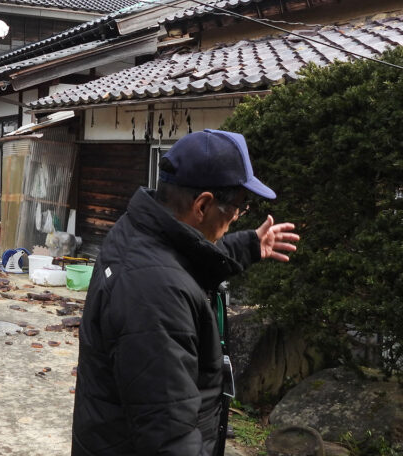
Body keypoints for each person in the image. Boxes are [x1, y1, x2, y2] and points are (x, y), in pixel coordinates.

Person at [72, 129, 299, 456]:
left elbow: (187, 253)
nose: (237, 216)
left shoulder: (141, 230)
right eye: (238, 205)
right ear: (203, 204)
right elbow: (169, 436)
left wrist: (248, 245)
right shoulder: (154, 294)